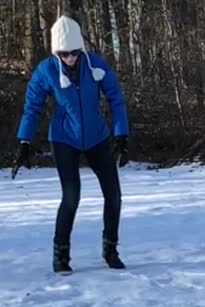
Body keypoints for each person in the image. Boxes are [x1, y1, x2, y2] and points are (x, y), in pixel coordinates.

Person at [12, 15, 129, 274]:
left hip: (97, 137)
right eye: (64, 54)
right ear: (57, 52)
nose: (70, 59)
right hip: (64, 139)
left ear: (81, 49)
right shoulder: (46, 70)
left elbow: (115, 99)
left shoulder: (95, 65)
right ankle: (61, 255)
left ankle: (110, 249)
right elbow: (32, 107)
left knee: (114, 195)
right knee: (71, 196)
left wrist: (121, 134)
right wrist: (24, 141)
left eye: (74, 53)